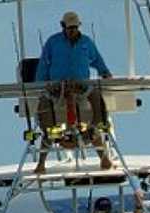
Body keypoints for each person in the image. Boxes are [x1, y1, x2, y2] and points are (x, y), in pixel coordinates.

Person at [34, 11, 113, 174]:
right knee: (48, 121)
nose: (72, 31)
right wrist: (40, 83)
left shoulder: (86, 42)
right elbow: (43, 63)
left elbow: (96, 59)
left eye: (75, 27)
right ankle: (41, 163)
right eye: (69, 28)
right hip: (57, 88)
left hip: (81, 87)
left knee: (96, 98)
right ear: (63, 26)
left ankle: (101, 147)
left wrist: (105, 72)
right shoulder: (53, 42)